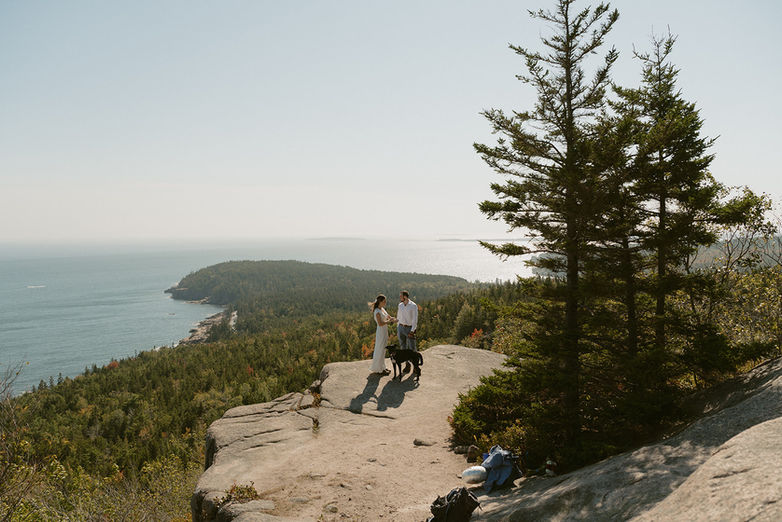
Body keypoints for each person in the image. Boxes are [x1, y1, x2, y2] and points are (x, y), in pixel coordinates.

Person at [369, 294, 395, 375]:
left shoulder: (382, 309)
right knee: (380, 349)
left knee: (383, 349)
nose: (385, 303)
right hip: (380, 331)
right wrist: (390, 321)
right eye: (384, 301)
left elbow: (388, 316)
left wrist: (392, 318)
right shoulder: (377, 311)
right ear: (380, 302)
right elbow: (380, 323)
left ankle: (382, 367)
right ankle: (379, 369)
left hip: (384, 330)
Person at [396, 290, 418, 373]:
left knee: (412, 348)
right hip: (401, 328)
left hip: (409, 329)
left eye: (401, 296)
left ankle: (416, 367)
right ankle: (407, 365)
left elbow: (415, 319)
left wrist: (412, 331)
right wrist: (397, 327)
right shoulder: (400, 305)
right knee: (403, 348)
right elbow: (398, 316)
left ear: (405, 296)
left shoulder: (413, 305)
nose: (399, 297)